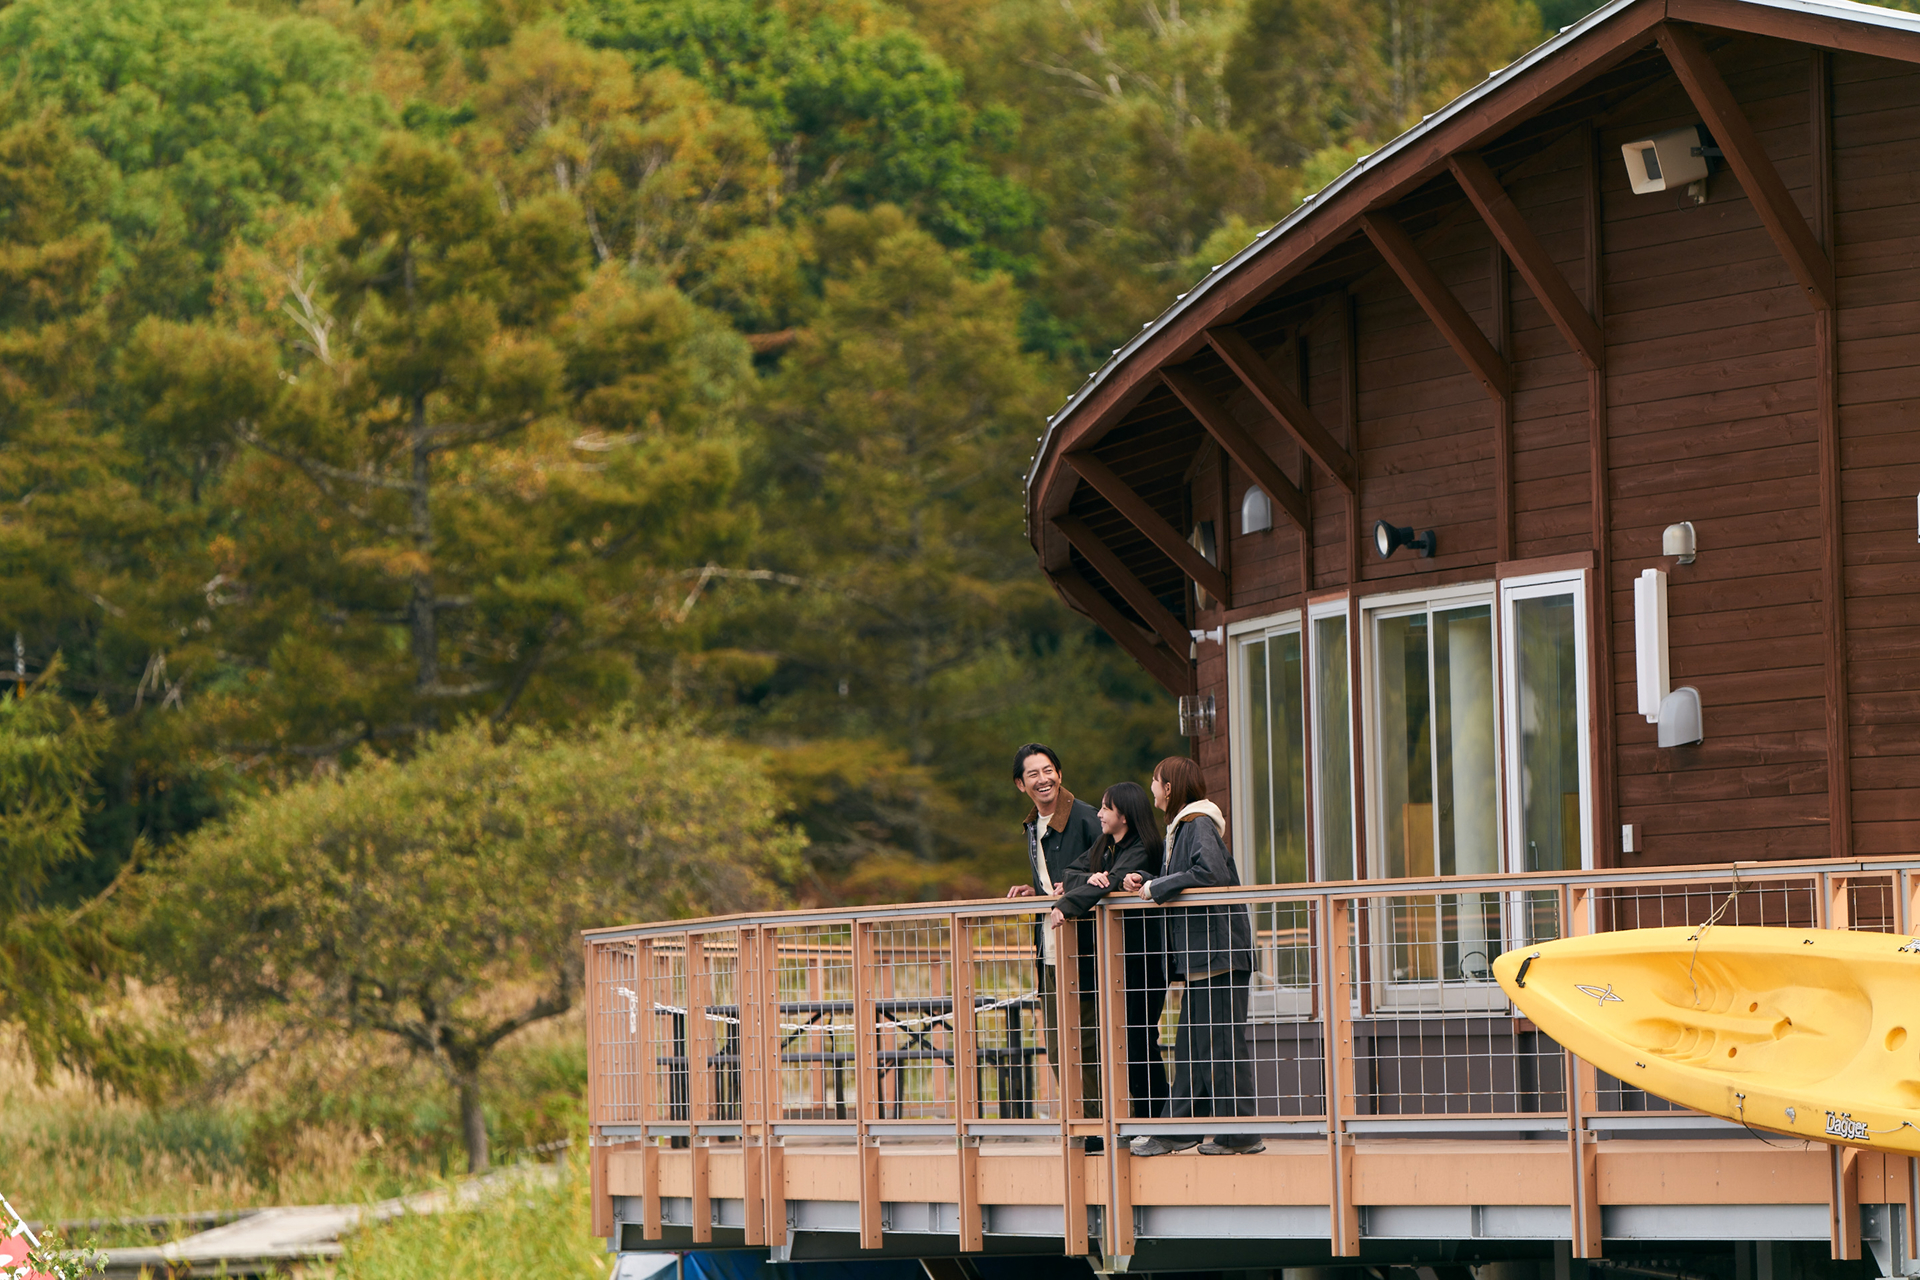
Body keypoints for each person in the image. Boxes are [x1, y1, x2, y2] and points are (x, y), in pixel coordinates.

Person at [1123, 757, 1263, 1156]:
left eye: (1155, 780)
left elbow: (1210, 873)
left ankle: (1241, 1133)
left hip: (1219, 953)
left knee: (1220, 1043)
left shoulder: (1195, 823)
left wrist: (1156, 887)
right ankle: (1182, 1129)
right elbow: (1192, 877)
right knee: (1192, 1044)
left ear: (1170, 787)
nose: (1151, 788)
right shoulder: (1185, 826)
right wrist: (1151, 882)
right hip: (1206, 955)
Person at [1051, 781, 1169, 1120]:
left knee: (1137, 1038)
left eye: (1106, 808)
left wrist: (1066, 906)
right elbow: (1071, 873)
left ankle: (1157, 1118)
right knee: (1123, 1039)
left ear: (1125, 816)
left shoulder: (1144, 846)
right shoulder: (1104, 844)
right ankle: (1149, 1118)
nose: (1099, 813)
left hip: (1142, 957)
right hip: (1114, 959)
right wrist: (1090, 880)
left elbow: (1115, 880)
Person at [1007, 743, 1102, 1118]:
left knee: (1091, 1040)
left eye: (1048, 771)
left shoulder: (1088, 818)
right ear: (1021, 784)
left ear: (1060, 774)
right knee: (1058, 1041)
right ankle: (1081, 1119)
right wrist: (1038, 893)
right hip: (1048, 947)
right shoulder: (1032, 824)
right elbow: (1056, 880)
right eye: (1033, 774)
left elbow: (1107, 872)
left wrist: (1074, 890)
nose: (1043, 779)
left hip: (1088, 948)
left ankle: (1100, 1124)